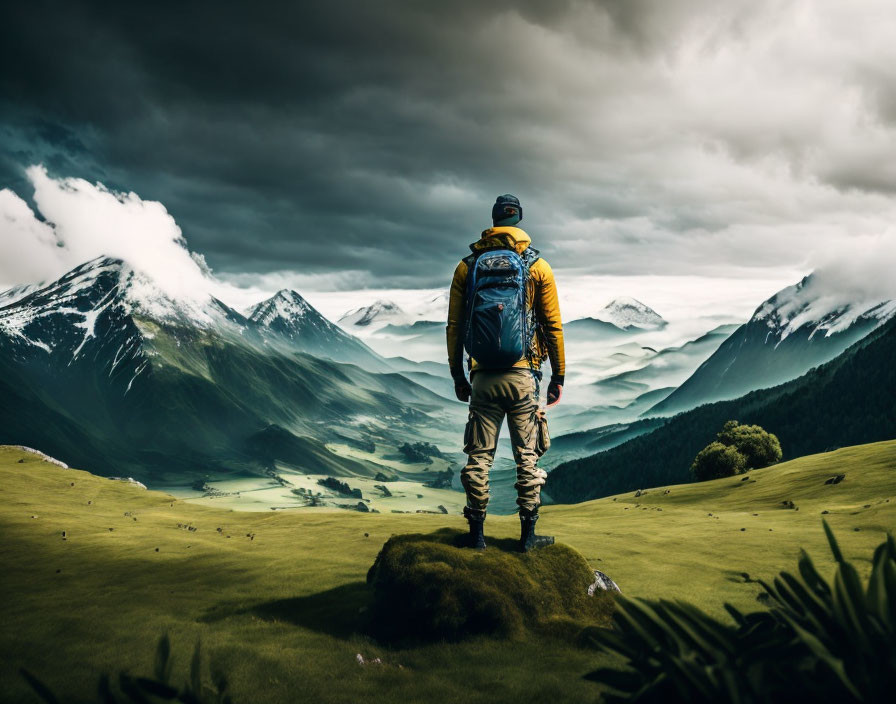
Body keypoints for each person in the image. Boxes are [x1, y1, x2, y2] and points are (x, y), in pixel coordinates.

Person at [446, 194, 565, 552]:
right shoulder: (537, 266)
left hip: (483, 376)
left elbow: (454, 325)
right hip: (524, 375)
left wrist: (458, 374)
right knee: (526, 456)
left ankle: (477, 535)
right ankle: (528, 538)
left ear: (493, 220)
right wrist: (558, 375)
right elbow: (553, 325)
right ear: (519, 220)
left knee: (479, 457)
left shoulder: (467, 266)